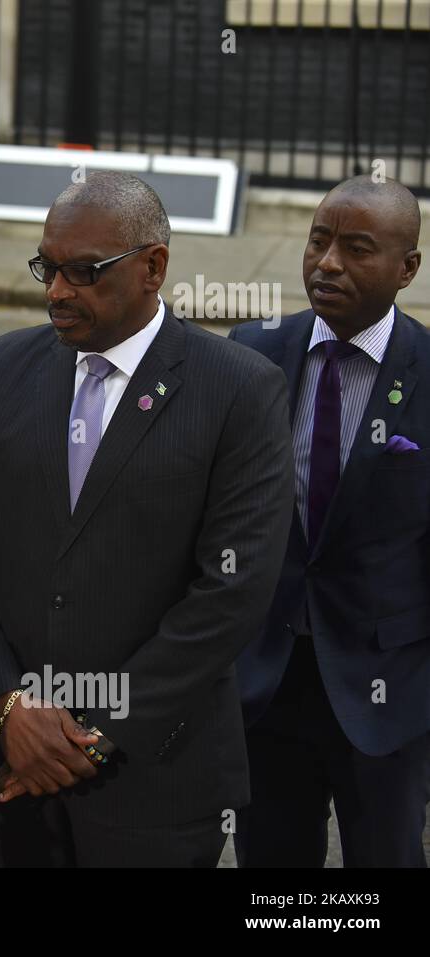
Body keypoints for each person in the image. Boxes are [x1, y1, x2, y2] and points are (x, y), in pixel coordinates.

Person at [0, 171, 295, 867]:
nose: (57, 291)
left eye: (83, 271)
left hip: (156, 783)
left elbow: (231, 592)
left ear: (153, 267)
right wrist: (7, 705)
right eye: (47, 267)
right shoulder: (8, 365)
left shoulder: (239, 390)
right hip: (7, 770)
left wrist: (94, 736)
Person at [229, 177, 429, 867]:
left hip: (389, 694)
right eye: (319, 240)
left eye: (357, 248)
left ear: (408, 268)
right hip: (268, 682)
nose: (328, 262)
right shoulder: (253, 354)